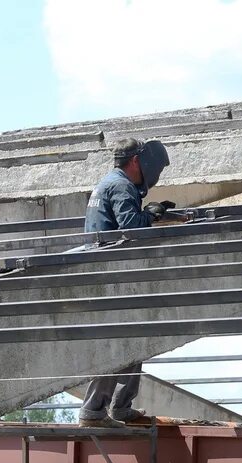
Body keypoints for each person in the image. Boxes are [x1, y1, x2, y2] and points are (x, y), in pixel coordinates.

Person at [78, 138, 174, 426]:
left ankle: (120, 405)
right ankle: (94, 410)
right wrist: (151, 215)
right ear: (136, 161)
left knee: (135, 338)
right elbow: (131, 229)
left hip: (107, 273)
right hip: (111, 277)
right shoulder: (120, 186)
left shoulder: (107, 183)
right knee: (117, 344)